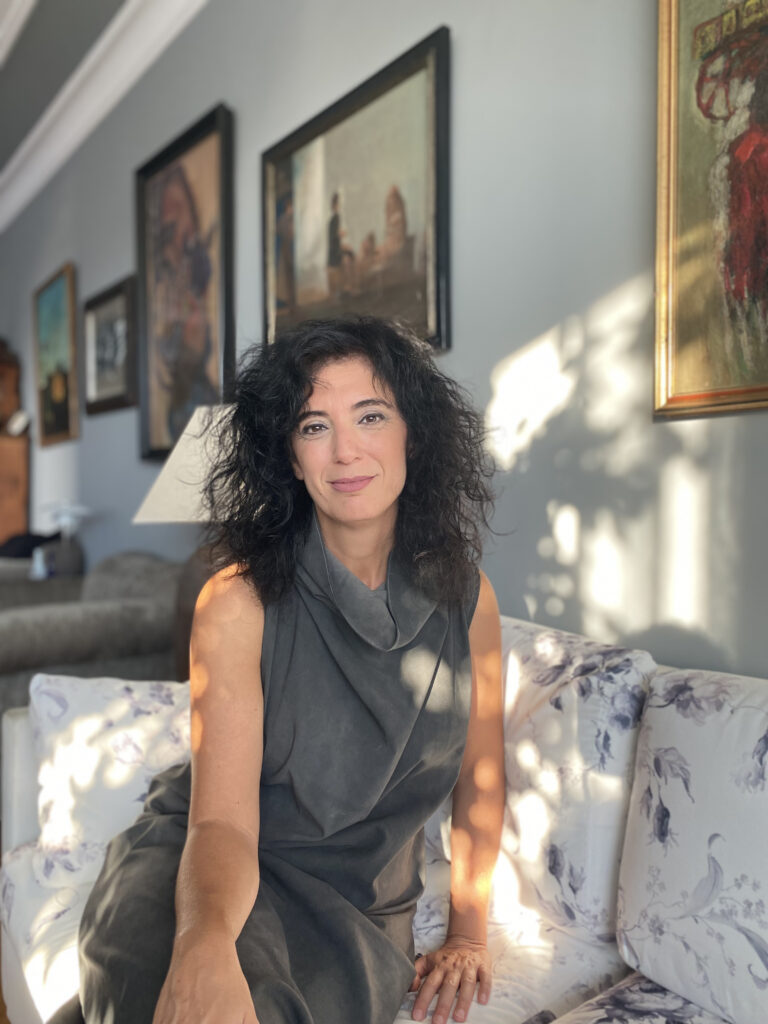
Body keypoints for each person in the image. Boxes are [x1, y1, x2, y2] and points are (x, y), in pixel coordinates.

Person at [77, 316, 504, 1024]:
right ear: (291, 457)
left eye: (371, 415)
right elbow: (222, 824)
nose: (345, 450)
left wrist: (468, 932)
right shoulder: (237, 603)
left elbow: (480, 777)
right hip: (208, 872)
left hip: (352, 910)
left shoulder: (469, 599)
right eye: (313, 426)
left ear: (414, 434)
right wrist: (204, 943)